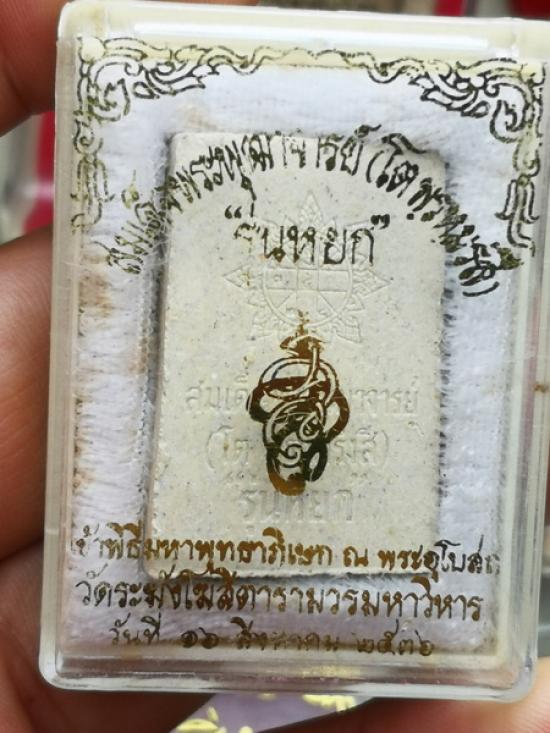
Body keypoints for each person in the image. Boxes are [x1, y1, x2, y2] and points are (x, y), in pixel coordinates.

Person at [1, 1, 549, 731]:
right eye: (294, 451)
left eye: (294, 452)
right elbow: (286, 405)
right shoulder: (296, 418)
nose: (292, 449)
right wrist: (304, 374)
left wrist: (306, 375)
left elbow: (298, 406)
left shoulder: (307, 420)